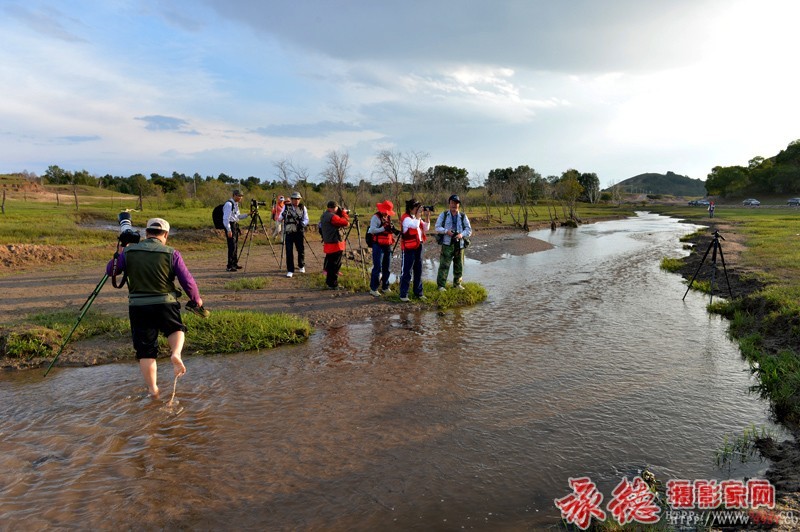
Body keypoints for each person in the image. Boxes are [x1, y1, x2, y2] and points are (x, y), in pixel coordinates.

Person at [106, 218, 203, 399]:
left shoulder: (129, 252)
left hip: (139, 306)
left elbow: (111, 270)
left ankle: (153, 391)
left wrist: (120, 253)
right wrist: (196, 299)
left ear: (146, 233)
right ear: (165, 234)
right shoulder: (171, 253)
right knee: (176, 328)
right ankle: (175, 354)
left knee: (146, 351)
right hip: (166, 303)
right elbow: (186, 280)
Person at [435, 194, 472, 291]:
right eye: (452, 203)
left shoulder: (463, 216)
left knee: (459, 265)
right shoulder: (443, 214)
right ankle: (441, 286)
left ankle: (457, 284)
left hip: (459, 244)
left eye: (456, 203)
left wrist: (461, 235)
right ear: (449, 204)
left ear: (458, 205)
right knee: (444, 265)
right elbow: (437, 227)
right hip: (447, 243)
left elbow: (469, 230)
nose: (454, 205)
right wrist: (446, 231)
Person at [399, 198, 430, 302]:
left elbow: (426, 228)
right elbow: (415, 225)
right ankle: (404, 294)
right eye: (417, 208)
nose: (418, 210)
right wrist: (418, 216)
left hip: (419, 246)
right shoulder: (406, 218)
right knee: (407, 271)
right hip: (408, 248)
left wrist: (427, 217)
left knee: (418, 269)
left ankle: (418, 293)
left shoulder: (415, 217)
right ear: (411, 208)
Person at [367, 200, 398, 297]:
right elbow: (371, 230)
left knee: (387, 267)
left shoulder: (388, 217)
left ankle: (385, 287)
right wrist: (384, 229)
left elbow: (389, 228)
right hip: (378, 245)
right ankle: (373, 289)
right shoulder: (375, 218)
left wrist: (394, 230)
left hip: (387, 245)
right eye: (386, 211)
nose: (386, 213)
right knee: (377, 267)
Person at [319, 201, 350, 289]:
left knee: (331, 263)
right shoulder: (333, 217)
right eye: (337, 208)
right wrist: (344, 214)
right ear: (334, 208)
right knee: (335, 265)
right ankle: (333, 283)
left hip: (329, 243)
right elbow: (345, 223)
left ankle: (330, 282)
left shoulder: (324, 215)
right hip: (335, 244)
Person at [277, 191, 309, 277]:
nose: (297, 201)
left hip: (299, 232)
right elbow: (279, 218)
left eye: (298, 199)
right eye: (295, 199)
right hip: (289, 232)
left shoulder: (303, 207)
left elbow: (306, 219)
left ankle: (301, 265)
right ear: (291, 199)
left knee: (300, 250)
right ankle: (290, 270)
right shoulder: (286, 207)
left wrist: (303, 224)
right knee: (289, 251)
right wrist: (283, 215)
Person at [223, 189, 249, 272]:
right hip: (230, 225)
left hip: (235, 225)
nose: (240, 197)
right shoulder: (229, 204)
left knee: (235, 245)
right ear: (234, 195)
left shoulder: (236, 204)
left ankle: (234, 263)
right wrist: (228, 229)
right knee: (232, 246)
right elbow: (226, 218)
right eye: (239, 196)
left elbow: (238, 217)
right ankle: (230, 266)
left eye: (241, 196)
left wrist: (248, 214)